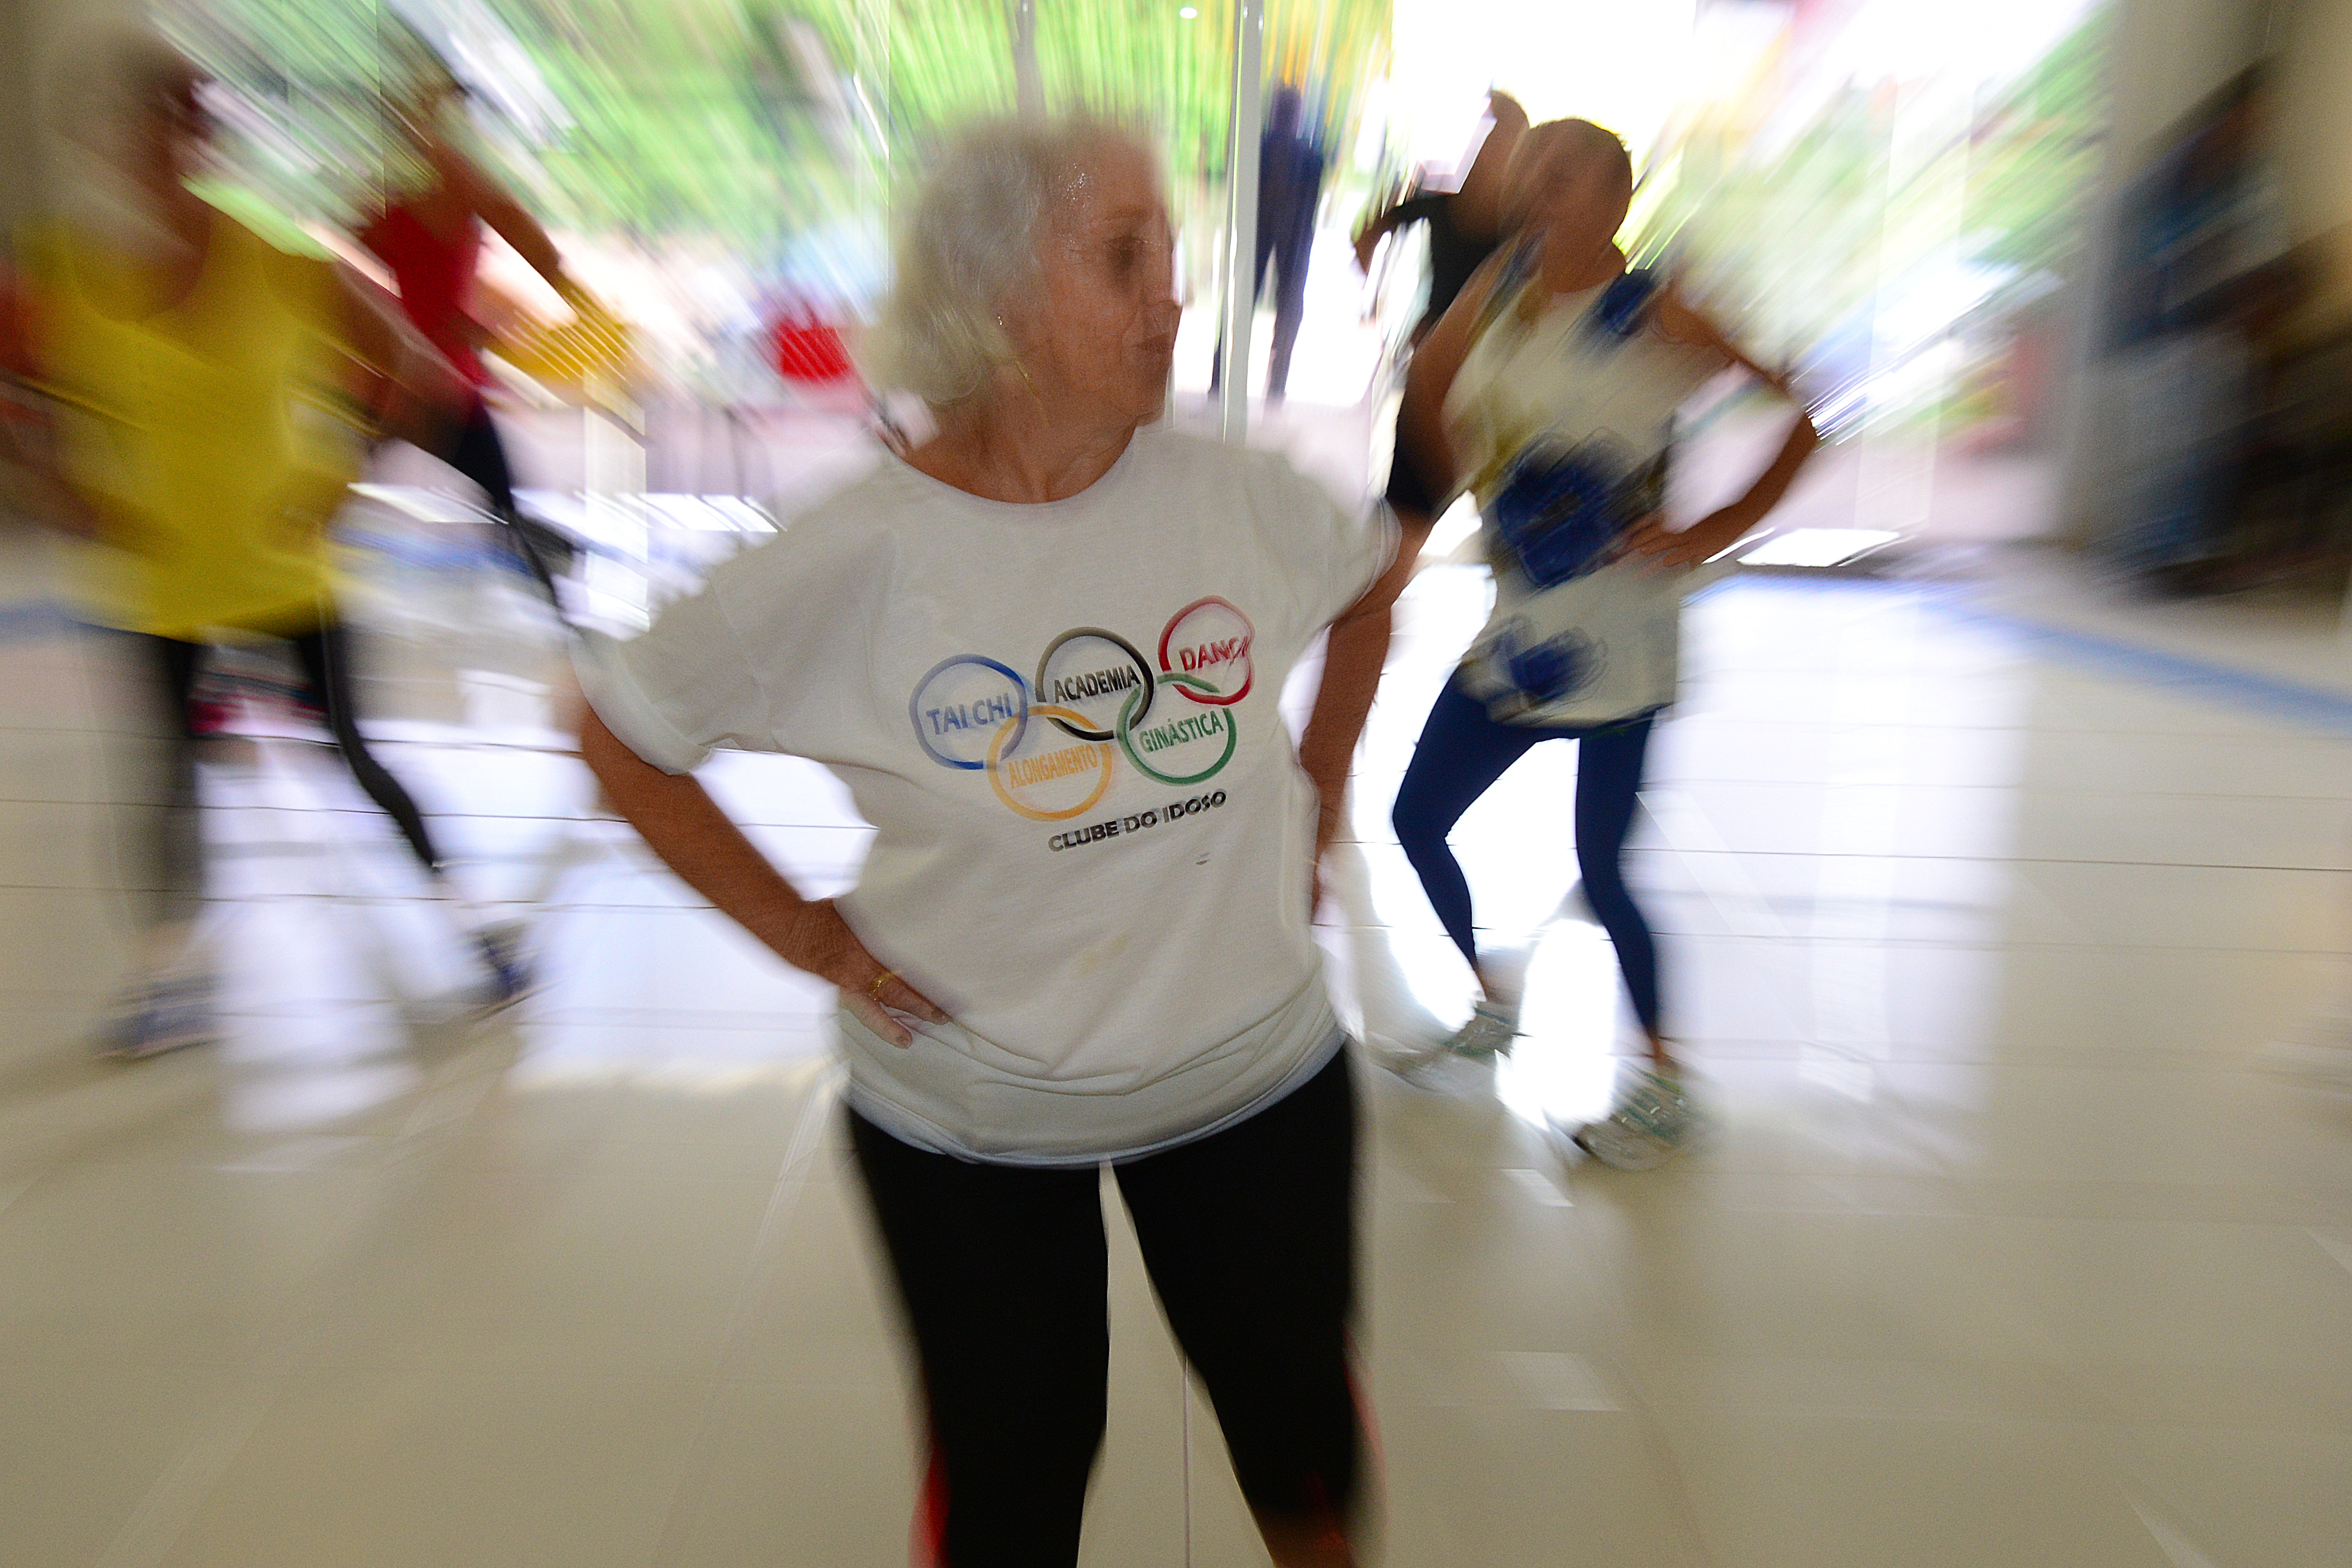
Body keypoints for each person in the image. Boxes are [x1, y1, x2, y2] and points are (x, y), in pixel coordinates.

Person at [574, 116, 1423, 1567]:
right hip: (972, 1122)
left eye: (1168, 255)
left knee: (1299, 1446)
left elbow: (1370, 582)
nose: (1172, 297)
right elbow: (618, 730)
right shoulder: (857, 550)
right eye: (1123, 257)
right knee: (1012, 1490)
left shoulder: (1237, 493)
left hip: (1252, 1080)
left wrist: (1322, 774)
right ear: (993, 296)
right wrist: (808, 933)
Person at [0, 33, 524, 1056]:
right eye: (139, 127)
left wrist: (339, 483)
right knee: (171, 774)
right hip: (161, 578)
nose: (159, 146)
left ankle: (475, 928)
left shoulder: (280, 260)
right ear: (104, 141)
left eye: (181, 124)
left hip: (288, 572)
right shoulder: (62, 275)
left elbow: (416, 371)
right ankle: (170, 977)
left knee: (354, 757)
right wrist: (49, 479)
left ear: (204, 138)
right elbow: (18, 392)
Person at [1389, 118, 1820, 1169]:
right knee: (1416, 817)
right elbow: (1425, 382)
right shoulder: (1501, 284)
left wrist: (1709, 530)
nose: (1534, 190)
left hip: (1622, 637)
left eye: (1561, 175)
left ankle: (1668, 1085)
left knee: (1605, 867)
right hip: (1518, 630)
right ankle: (1492, 1005)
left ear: (1617, 199)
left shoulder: (1655, 307)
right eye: (1531, 172)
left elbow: (1801, 418)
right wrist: (1475, 479)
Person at [357, 56, 592, 592]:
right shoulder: (447, 185)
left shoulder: (417, 189)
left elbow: (381, 248)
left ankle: (562, 590)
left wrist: (484, 323)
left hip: (415, 378)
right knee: (508, 509)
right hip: (435, 380)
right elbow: (541, 254)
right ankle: (564, 599)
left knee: (506, 508)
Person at [1211, 83, 1325, 402]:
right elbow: (1310, 208)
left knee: (1248, 305)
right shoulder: (1309, 157)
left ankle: (1225, 378)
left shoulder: (1258, 150)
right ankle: (1272, 383)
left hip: (1267, 237)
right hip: (1286, 241)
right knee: (1282, 309)